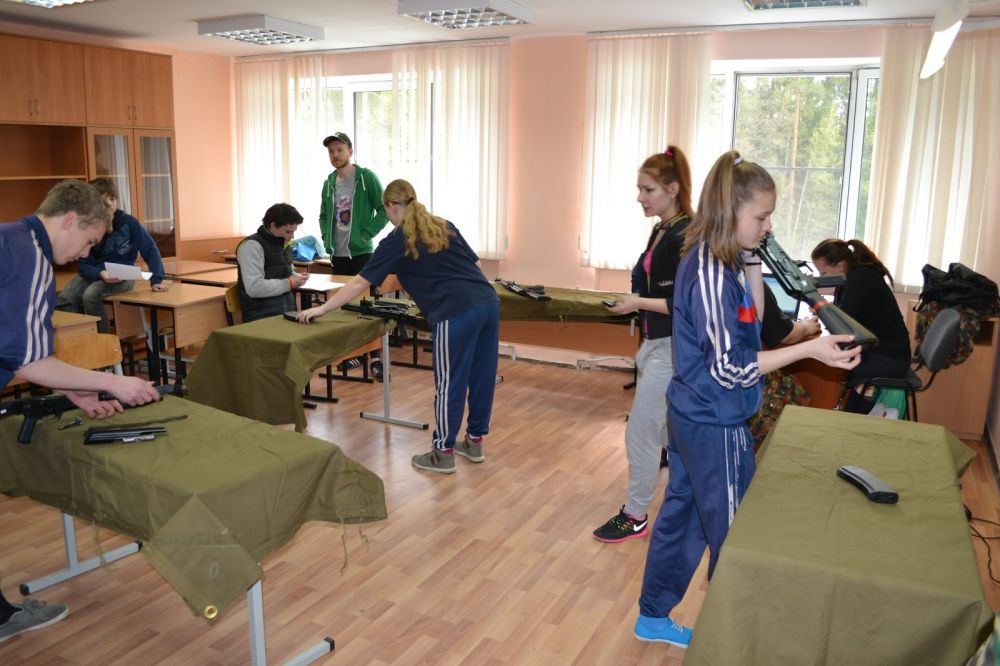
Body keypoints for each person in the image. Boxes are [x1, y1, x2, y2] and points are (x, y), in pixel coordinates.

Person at [634, 151, 861, 648]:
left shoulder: (721, 260)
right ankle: (733, 641)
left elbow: (751, 323)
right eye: (761, 217)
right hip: (714, 421)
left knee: (684, 519)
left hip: (695, 415)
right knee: (737, 534)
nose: (768, 225)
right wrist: (811, 350)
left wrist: (755, 258)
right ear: (730, 211)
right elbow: (731, 367)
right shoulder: (710, 273)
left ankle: (653, 617)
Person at [0, 179, 162, 643]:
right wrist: (115, 382)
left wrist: (74, 391)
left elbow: (20, 351)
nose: (84, 253)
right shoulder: (33, 256)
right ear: (70, 221)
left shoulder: (10, 237)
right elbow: (27, 360)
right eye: (89, 241)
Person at [299, 179, 500, 475]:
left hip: (455, 312)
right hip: (488, 304)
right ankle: (474, 442)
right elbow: (477, 265)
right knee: (482, 377)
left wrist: (322, 308)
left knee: (450, 383)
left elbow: (359, 282)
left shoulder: (397, 240)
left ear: (391, 207)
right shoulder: (444, 226)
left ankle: (443, 453)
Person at [592, 147, 694, 544]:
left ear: (673, 189)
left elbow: (684, 303)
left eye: (648, 189)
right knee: (666, 431)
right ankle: (700, 495)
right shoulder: (662, 228)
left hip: (673, 347)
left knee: (641, 431)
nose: (640, 197)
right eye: (639, 189)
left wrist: (636, 302)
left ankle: (635, 515)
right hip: (656, 343)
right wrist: (635, 300)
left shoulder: (684, 235)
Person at [810, 238, 911, 413]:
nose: (821, 278)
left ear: (840, 265)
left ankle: (852, 417)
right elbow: (843, 316)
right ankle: (854, 413)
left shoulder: (862, 277)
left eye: (823, 273)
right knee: (833, 363)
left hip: (890, 358)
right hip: (878, 352)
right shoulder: (851, 278)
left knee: (835, 368)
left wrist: (817, 304)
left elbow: (843, 321)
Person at [55, 177, 168, 332]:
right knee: (65, 299)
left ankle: (103, 341)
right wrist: (100, 273)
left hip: (124, 274)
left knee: (90, 296)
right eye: (103, 201)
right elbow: (82, 263)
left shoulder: (129, 223)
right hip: (95, 272)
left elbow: (150, 249)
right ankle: (81, 337)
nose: (110, 204)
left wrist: (156, 280)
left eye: (113, 199)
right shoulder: (86, 226)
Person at [318, 132, 389, 275]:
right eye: (331, 151)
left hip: (361, 253)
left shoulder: (366, 178)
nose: (335, 154)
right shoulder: (328, 183)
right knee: (341, 290)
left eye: (339, 149)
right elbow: (323, 216)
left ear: (350, 152)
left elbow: (385, 210)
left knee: (362, 290)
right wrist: (326, 238)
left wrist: (365, 236)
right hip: (337, 255)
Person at [235, 203, 308, 323]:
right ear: (273, 226)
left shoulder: (282, 244)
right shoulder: (251, 246)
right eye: (288, 232)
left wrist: (297, 277)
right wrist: (290, 282)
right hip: (260, 317)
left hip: (286, 312)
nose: (292, 236)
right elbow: (254, 287)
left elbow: (283, 273)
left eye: (293, 232)